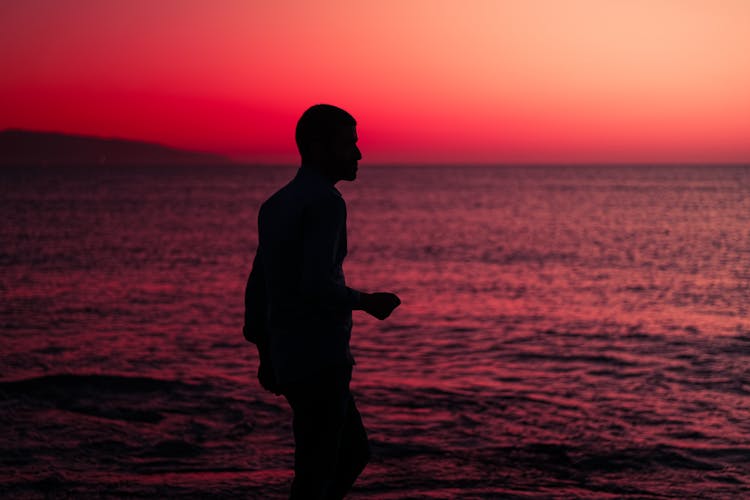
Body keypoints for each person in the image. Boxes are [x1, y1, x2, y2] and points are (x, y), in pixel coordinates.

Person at [243, 104, 401, 499]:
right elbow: (315, 284)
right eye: (349, 145)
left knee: (347, 455)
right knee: (319, 470)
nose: (359, 154)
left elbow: (259, 285)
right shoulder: (327, 203)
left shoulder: (276, 204)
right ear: (318, 148)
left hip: (292, 357)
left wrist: (267, 352)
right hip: (320, 358)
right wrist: (368, 302)